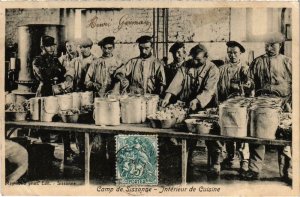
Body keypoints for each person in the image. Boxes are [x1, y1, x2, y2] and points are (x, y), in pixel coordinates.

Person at [161, 44, 221, 177]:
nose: (195, 62)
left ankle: (215, 163)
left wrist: (198, 100)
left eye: (198, 60)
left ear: (206, 57)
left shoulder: (213, 69)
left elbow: (209, 90)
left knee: (211, 137)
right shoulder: (186, 65)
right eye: (193, 58)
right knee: (188, 136)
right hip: (188, 105)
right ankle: (187, 161)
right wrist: (167, 97)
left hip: (207, 107)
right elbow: (177, 82)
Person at [241, 32, 292, 180]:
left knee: (284, 137)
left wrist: (290, 102)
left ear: (280, 45)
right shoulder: (257, 62)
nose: (268, 48)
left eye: (272, 45)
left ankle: (287, 171)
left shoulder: (288, 62)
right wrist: (248, 83)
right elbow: (250, 80)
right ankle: (254, 169)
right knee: (257, 135)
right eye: (266, 45)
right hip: (261, 103)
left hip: (283, 103)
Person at [218, 41, 252, 172]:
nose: (232, 55)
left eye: (235, 53)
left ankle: (244, 160)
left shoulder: (246, 69)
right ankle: (230, 158)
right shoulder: (222, 69)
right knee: (227, 132)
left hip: (240, 108)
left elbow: (251, 88)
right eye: (229, 53)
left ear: (241, 54)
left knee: (241, 133)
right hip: (225, 106)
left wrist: (247, 82)